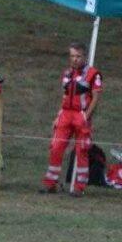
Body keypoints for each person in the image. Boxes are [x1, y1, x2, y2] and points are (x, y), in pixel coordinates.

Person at [40, 43, 103, 196]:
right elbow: (65, 95)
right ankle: (51, 183)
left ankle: (79, 187)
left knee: (82, 150)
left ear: (84, 57)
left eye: (78, 56)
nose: (74, 59)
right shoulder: (67, 73)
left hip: (81, 114)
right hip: (66, 114)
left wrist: (86, 116)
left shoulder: (94, 74)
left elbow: (96, 98)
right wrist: (58, 115)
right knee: (56, 147)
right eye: (72, 56)